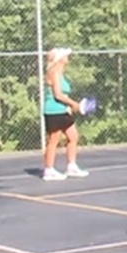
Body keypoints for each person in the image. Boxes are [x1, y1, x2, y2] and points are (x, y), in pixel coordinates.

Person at [41, 47, 89, 181]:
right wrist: (74, 104)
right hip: (54, 110)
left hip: (63, 110)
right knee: (53, 140)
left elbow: (63, 94)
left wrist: (69, 106)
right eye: (65, 55)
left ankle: (71, 166)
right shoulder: (54, 72)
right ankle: (49, 170)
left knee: (73, 136)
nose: (68, 57)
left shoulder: (60, 73)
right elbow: (58, 95)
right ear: (59, 59)